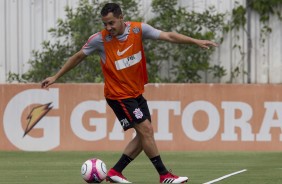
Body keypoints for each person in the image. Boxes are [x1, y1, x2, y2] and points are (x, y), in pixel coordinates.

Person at [41, 3, 217, 183]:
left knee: (144, 137)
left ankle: (116, 172)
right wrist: (56, 76)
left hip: (135, 93)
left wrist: (195, 41)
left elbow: (169, 36)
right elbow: (78, 56)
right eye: (105, 24)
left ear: (121, 17)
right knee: (146, 130)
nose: (108, 28)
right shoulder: (99, 40)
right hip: (118, 96)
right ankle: (164, 176)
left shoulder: (138, 30)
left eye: (111, 23)